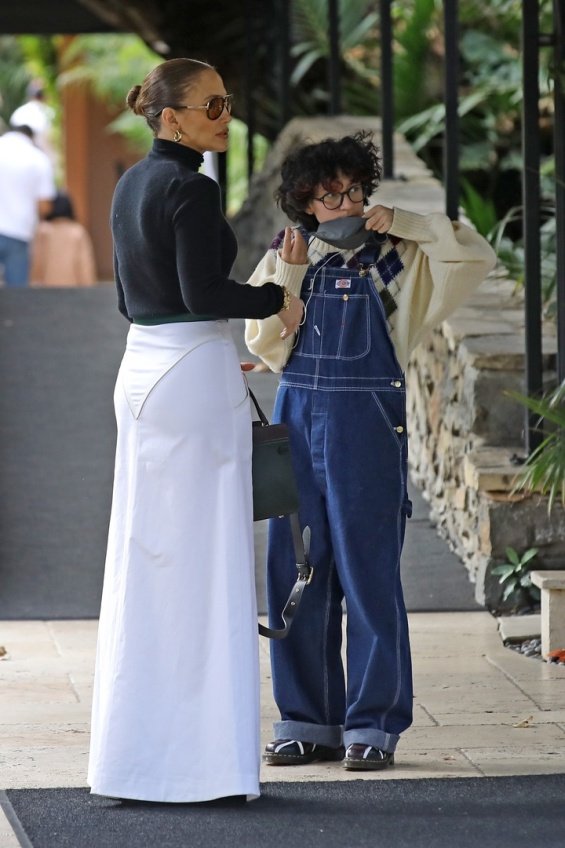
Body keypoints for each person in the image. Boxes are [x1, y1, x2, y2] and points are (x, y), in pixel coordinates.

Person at [87, 57, 303, 804]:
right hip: (187, 373)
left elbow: (133, 301)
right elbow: (201, 291)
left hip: (145, 370)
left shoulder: (130, 183)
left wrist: (208, 348)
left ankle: (135, 759)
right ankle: (204, 764)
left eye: (228, 103)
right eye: (211, 106)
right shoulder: (188, 186)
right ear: (170, 116)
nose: (225, 115)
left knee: (147, 559)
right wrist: (275, 298)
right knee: (206, 564)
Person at [245, 132, 496, 770]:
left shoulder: (401, 257)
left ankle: (372, 727)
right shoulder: (285, 255)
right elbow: (266, 343)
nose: (348, 203)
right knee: (295, 571)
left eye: (355, 190)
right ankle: (305, 721)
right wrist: (294, 277)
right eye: (331, 197)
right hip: (298, 425)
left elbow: (473, 256)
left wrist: (406, 220)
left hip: (368, 428)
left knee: (370, 576)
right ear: (306, 203)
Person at [0, 124, 56, 287]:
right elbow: (45, 206)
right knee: (17, 294)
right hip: (18, 232)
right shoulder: (38, 158)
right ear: (31, 137)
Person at [29, 191, 97, 287]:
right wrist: (89, 288)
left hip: (46, 290)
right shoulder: (78, 232)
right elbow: (85, 265)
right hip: (74, 290)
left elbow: (36, 262)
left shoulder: (42, 231)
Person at [10, 79, 56, 163]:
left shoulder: (19, 113)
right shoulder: (51, 113)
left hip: (19, 159)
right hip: (45, 158)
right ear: (45, 96)